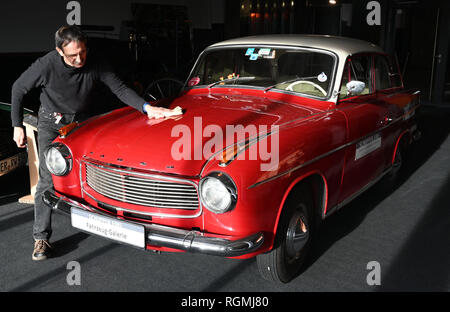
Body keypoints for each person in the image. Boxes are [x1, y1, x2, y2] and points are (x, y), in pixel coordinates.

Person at [11, 25, 173, 261]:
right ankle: (41, 238)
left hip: (81, 121)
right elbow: (18, 88)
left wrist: (148, 108)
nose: (79, 59)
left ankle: (101, 221)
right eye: (72, 55)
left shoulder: (95, 61)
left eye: (82, 52)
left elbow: (118, 88)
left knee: (91, 169)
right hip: (51, 122)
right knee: (47, 179)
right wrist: (16, 125)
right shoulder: (46, 65)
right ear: (59, 51)